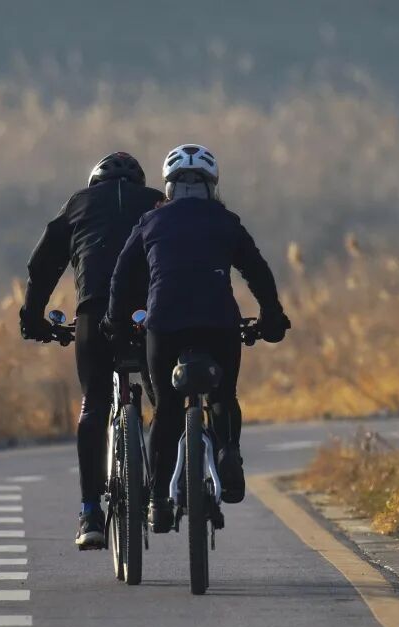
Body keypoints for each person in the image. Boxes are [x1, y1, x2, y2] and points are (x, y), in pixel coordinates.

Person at [104, 144, 290, 533]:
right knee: (223, 396)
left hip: (164, 324)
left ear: (168, 188)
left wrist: (116, 321)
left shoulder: (149, 223)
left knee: (168, 411)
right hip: (218, 324)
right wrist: (272, 318)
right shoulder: (227, 222)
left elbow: (122, 276)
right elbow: (258, 272)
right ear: (211, 186)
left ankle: (157, 500)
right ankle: (228, 453)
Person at [19, 152, 164, 549]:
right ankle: (163, 495)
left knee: (95, 403)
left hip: (95, 310)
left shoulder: (77, 204)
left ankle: (89, 513)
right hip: (151, 312)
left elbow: (42, 266)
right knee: (163, 401)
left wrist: (32, 319)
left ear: (93, 182)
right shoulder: (157, 201)